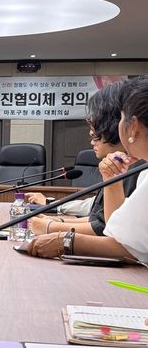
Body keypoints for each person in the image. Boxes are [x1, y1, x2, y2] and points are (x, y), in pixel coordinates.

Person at [27, 77, 148, 262]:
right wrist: (112, 179)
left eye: (122, 117)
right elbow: (117, 232)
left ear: (133, 127)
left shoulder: (140, 170)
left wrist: (63, 239)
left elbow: (125, 245)